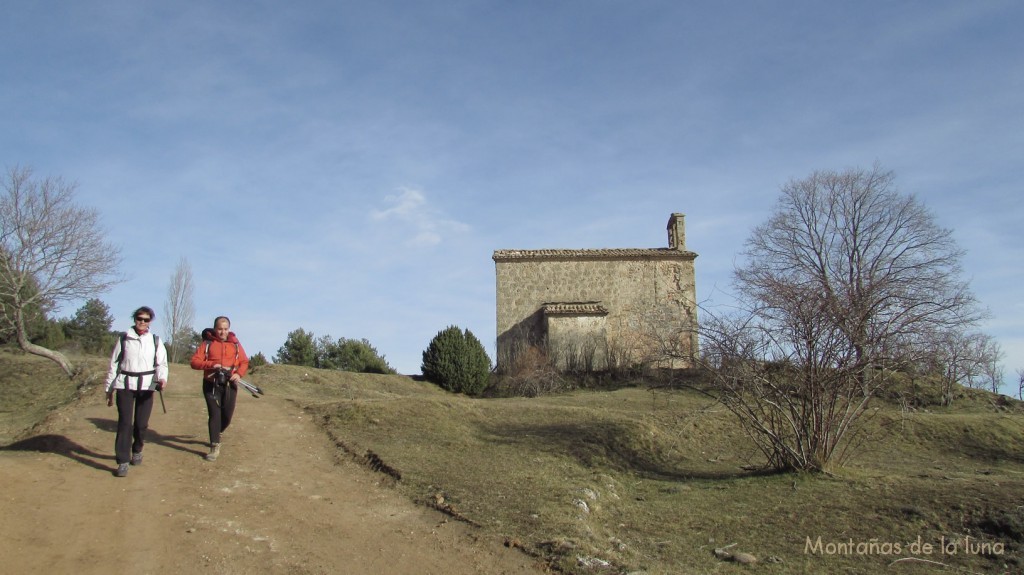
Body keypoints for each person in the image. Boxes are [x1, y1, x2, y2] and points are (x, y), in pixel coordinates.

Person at [104, 306, 169, 478]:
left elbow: (161, 363)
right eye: (139, 319)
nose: (142, 322)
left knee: (141, 424)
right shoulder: (124, 338)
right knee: (124, 423)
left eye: (146, 319)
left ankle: (138, 448)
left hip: (147, 386)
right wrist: (109, 389)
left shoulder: (155, 340)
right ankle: (123, 461)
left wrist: (162, 379)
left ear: (150, 322)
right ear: (135, 319)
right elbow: (114, 364)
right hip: (125, 384)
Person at [190, 316, 249, 462]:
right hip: (211, 383)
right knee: (214, 414)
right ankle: (214, 446)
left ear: (229, 329)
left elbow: (244, 361)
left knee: (227, 416)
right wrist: (210, 365)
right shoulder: (208, 343)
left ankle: (219, 431)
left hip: (230, 384)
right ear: (215, 329)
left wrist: (238, 374)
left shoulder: (235, 343)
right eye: (220, 329)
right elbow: (194, 362)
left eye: (225, 329)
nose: (223, 332)